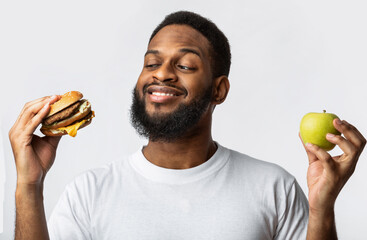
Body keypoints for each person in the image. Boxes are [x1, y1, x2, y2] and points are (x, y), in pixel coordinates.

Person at [9, 11, 365, 240]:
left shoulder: (272, 187)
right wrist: (28, 184)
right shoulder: (89, 192)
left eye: (185, 66)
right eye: (152, 63)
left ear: (219, 89)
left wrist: (322, 209)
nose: (161, 73)